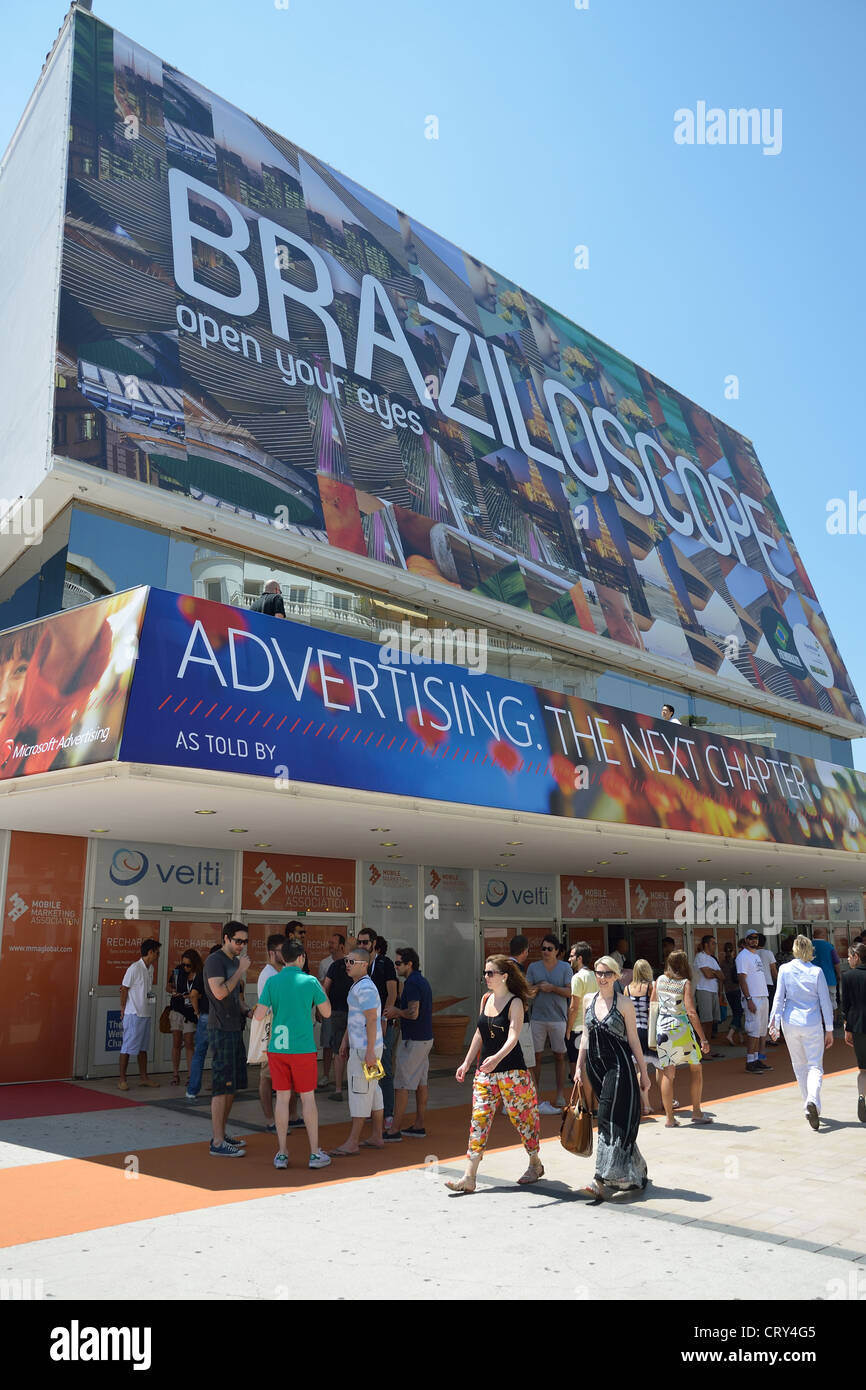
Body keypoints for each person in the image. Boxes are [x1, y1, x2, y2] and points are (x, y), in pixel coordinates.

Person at [446, 955, 542, 1193]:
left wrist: (497, 1057)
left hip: (512, 1073)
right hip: (485, 1074)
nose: (486, 977)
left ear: (504, 976)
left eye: (491, 973)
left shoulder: (515, 1003)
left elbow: (513, 1036)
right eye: (485, 973)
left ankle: (535, 1162)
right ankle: (469, 1176)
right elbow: (480, 1032)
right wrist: (467, 1062)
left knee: (523, 1120)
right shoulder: (486, 998)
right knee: (478, 1120)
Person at [253, 938, 332, 1170]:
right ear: (301, 958)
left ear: (282, 958)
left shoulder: (273, 982)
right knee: (308, 1098)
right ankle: (315, 1154)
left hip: (277, 1049)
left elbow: (258, 1015)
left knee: (282, 1098)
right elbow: (326, 1013)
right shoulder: (310, 981)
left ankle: (282, 1153)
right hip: (303, 1049)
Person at [576, 956, 651, 1198]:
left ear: (617, 976)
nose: (602, 977)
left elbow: (633, 1041)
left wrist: (644, 1072)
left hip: (618, 1069)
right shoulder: (588, 1000)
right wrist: (578, 1067)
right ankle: (634, 1169)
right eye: (599, 973)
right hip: (595, 1069)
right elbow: (585, 1037)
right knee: (616, 1121)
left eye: (608, 973)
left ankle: (599, 1179)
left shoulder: (624, 1004)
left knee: (606, 1118)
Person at [769, 935, 834, 1130]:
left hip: (790, 1023)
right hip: (812, 1023)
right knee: (815, 1066)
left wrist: (774, 1024)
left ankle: (808, 1105)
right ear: (810, 950)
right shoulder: (816, 972)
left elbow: (779, 999)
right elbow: (825, 1002)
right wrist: (829, 1029)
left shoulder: (784, 969)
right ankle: (812, 1100)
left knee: (799, 1065)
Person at [203, 921, 255, 1157]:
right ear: (226, 938)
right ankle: (217, 1140)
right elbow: (220, 992)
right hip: (221, 1028)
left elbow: (236, 997)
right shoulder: (216, 961)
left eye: (245, 941)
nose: (242, 946)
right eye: (238, 941)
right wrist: (240, 971)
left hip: (235, 1026)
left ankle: (221, 1134)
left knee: (232, 1085)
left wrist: (247, 1011)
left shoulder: (234, 962)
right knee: (221, 1084)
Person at [330, 946, 386, 1156]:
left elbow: (372, 1018)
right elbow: (358, 1017)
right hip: (365, 1047)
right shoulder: (361, 986)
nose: (347, 964)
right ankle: (377, 1135)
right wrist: (346, 1040)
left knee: (360, 1092)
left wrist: (370, 1051)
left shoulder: (364, 988)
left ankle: (353, 1141)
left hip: (365, 1049)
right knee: (373, 1091)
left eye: (351, 961)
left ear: (364, 965)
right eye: (346, 960)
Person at [651, 950, 711, 1126]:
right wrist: (703, 1038)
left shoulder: (659, 980)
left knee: (668, 1073)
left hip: (662, 1028)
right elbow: (691, 1012)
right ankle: (697, 1112)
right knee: (696, 1068)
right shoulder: (684, 983)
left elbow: (653, 1004)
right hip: (681, 1029)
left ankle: (669, 1118)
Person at [383, 947, 434, 1141]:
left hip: (414, 1040)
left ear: (409, 964)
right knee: (421, 1083)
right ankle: (419, 1124)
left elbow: (413, 1012)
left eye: (398, 963)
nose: (396, 966)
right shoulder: (420, 981)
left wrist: (396, 1012)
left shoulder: (412, 983)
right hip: (424, 1038)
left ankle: (394, 1129)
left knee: (402, 1084)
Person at [526, 934, 572, 1114]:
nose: (545, 952)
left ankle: (560, 1093)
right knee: (535, 1057)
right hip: (537, 1018)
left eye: (549, 949)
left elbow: (570, 992)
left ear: (557, 951)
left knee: (559, 1056)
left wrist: (552, 988)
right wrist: (538, 987)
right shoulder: (533, 967)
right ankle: (536, 1093)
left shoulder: (565, 967)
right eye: (543, 948)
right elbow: (527, 992)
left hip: (559, 1019)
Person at [357, 928, 398, 1128]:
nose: (362, 946)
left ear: (374, 943)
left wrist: (385, 1018)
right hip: (362, 1025)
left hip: (381, 1024)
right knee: (366, 1067)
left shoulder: (385, 963)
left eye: (365, 942)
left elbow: (392, 993)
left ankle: (388, 1113)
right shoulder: (359, 964)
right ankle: (368, 1109)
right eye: (360, 942)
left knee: (384, 1068)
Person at [118, 939, 161, 1090]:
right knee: (128, 1046)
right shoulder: (134, 968)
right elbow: (124, 988)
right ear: (150, 952)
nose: (158, 956)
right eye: (157, 952)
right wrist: (123, 1008)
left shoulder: (150, 969)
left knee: (143, 1048)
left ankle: (144, 1077)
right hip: (133, 1013)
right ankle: (122, 1079)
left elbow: (147, 990)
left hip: (145, 1013)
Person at [255, 934, 287, 1131]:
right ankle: (270, 1119)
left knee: (285, 1076)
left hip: (283, 1030)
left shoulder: (282, 971)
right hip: (272, 1030)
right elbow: (265, 1008)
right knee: (267, 1076)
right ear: (272, 952)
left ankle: (289, 1115)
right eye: (282, 951)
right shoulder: (267, 975)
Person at [736, 930, 772, 1072]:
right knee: (753, 1029)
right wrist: (749, 999)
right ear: (745, 940)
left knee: (761, 1030)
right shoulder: (743, 956)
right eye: (751, 938)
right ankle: (750, 1061)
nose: (754, 941)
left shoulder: (755, 956)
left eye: (756, 938)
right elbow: (741, 978)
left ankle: (756, 1059)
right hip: (753, 998)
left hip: (763, 996)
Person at [625, 959, 654, 1116]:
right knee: (659, 1068)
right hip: (647, 1031)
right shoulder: (649, 987)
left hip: (633, 1032)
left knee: (638, 1069)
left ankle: (646, 1104)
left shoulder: (627, 989)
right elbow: (653, 1009)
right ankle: (666, 1100)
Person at [841, 941, 866, 1123]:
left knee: (863, 1069)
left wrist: (846, 1028)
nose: (848, 959)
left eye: (849, 956)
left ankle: (862, 1097)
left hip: (858, 1027)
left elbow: (846, 1006)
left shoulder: (848, 976)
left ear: (856, 957)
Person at [323, 936, 350, 1100]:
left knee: (339, 1051)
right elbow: (325, 988)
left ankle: (339, 1089)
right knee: (344, 1051)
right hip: (342, 1013)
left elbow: (325, 988)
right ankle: (347, 1088)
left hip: (340, 1012)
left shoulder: (337, 965)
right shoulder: (359, 965)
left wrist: (326, 1008)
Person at [168, 950, 200, 1085]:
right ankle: (175, 1074)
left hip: (191, 1011)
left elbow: (203, 994)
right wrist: (174, 992)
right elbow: (168, 986)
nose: (185, 968)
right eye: (184, 965)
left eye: (188, 965)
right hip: (177, 1008)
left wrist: (192, 996)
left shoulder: (200, 974)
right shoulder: (178, 971)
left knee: (189, 1042)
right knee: (176, 1041)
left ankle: (190, 1075)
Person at [566, 941, 595, 1078]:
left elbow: (573, 1007)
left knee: (580, 1067)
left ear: (580, 958)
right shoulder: (595, 975)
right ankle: (592, 1100)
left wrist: (568, 1030)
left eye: (571, 956)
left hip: (578, 1028)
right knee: (590, 1066)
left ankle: (586, 1100)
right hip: (593, 1026)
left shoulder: (577, 977)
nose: (569, 959)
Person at [692, 935, 724, 1057]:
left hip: (713, 991)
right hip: (703, 990)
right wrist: (714, 973)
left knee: (711, 1022)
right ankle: (702, 1050)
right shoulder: (700, 957)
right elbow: (707, 975)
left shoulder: (712, 959)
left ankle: (708, 1048)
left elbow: (722, 976)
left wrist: (713, 972)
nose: (715, 946)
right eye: (713, 943)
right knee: (705, 1021)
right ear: (706, 944)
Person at [185, 951, 211, 1102]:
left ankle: (192, 1089)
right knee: (220, 1055)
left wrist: (197, 1013)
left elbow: (193, 994)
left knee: (199, 1053)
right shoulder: (226, 973)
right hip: (220, 1018)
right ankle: (221, 1088)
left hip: (205, 1016)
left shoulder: (203, 974)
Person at [508, 934, 536, 1071]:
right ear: (525, 951)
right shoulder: (518, 968)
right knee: (526, 1063)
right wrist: (537, 989)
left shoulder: (503, 966)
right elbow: (523, 993)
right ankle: (531, 1092)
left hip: (505, 1019)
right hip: (520, 1020)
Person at [811, 926, 842, 1021]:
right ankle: (833, 1020)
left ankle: (820, 1022)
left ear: (813, 935)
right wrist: (839, 975)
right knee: (832, 1000)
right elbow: (836, 962)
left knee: (815, 1001)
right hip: (829, 979)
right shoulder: (829, 946)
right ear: (823, 935)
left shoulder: (808, 946)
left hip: (812, 979)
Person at [720, 941, 744, 1046]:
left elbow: (721, 979)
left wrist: (721, 992)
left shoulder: (722, 964)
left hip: (728, 991)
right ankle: (730, 1033)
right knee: (739, 1012)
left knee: (735, 1013)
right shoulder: (737, 961)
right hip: (737, 989)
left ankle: (740, 1036)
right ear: (733, 951)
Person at [756, 933, 779, 1026]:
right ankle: (769, 1033)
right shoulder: (768, 953)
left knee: (758, 1010)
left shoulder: (751, 953)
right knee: (769, 1009)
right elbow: (773, 970)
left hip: (756, 986)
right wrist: (777, 983)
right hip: (768, 984)